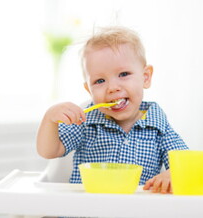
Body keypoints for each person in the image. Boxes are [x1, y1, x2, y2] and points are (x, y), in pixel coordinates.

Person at [36, 26, 188, 194]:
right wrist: (49, 119)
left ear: (146, 77)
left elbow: (187, 165)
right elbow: (48, 151)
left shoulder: (158, 126)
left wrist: (172, 174)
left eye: (123, 74)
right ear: (89, 90)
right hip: (86, 209)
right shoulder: (85, 121)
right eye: (100, 81)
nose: (113, 88)